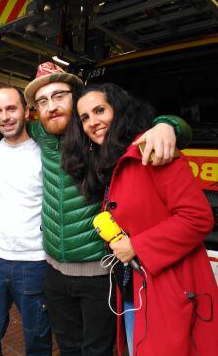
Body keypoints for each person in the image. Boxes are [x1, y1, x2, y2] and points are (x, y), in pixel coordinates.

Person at [0, 62, 192, 356]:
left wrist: (169, 125)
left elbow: (143, 123)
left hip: (98, 272)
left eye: (59, 96)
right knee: (67, 347)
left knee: (97, 350)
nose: (51, 107)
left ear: (76, 97)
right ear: (35, 111)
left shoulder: (102, 135)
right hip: (52, 271)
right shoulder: (39, 133)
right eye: (42, 101)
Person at [62, 82, 218, 356]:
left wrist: (137, 246)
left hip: (168, 290)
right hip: (134, 287)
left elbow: (198, 218)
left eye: (100, 110)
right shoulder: (108, 162)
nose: (92, 122)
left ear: (119, 111)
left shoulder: (152, 151)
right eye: (85, 117)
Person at [0, 85, 52, 356]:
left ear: (27, 111)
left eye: (11, 108)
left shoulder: (46, 152)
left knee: (38, 342)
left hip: (35, 262)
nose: (5, 116)